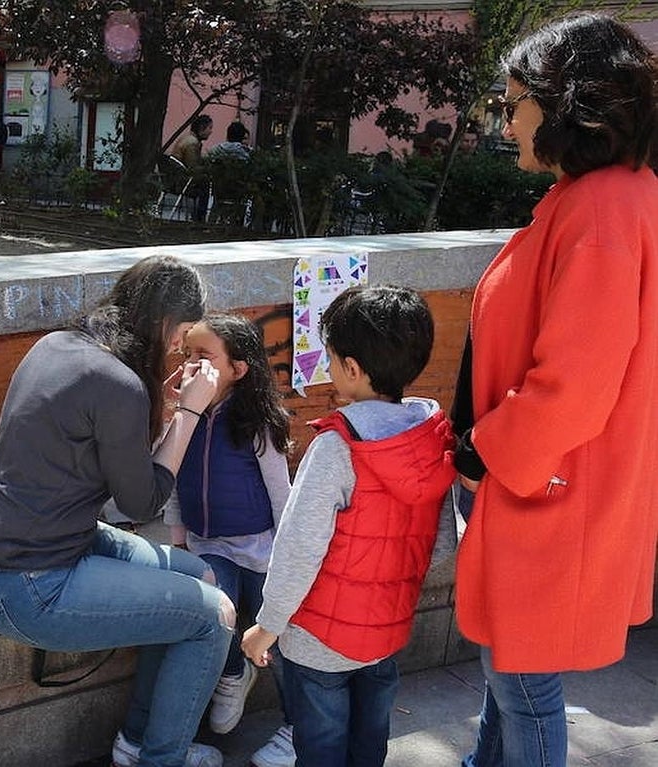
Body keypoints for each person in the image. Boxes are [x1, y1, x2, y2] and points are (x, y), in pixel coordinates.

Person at [450, 13, 658, 767]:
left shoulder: (600, 210)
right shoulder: (608, 195)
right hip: (547, 481)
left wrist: (484, 454)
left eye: (513, 105)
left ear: (565, 102)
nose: (505, 125)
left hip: (544, 488)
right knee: (510, 671)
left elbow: (574, 387)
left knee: (525, 684)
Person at [0, 254, 233, 767]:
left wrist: (163, 412)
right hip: (24, 584)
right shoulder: (120, 385)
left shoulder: (58, 344)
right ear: (162, 322)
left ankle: (138, 741)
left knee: (203, 576)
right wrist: (192, 411)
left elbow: (117, 470)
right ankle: (160, 759)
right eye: (181, 333)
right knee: (213, 617)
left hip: (10, 550)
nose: (179, 347)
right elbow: (142, 502)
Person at [241, 284, 457, 767]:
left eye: (333, 357)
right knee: (367, 744)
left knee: (320, 747)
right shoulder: (432, 438)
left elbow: (299, 548)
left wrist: (267, 626)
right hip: (386, 630)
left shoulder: (338, 447)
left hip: (319, 642)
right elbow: (440, 547)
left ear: (353, 368)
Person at [162, 313, 297, 767]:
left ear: (238, 370)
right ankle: (232, 674)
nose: (192, 366)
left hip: (261, 548)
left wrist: (286, 550)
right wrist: (180, 538)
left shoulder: (257, 422)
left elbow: (282, 493)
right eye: (187, 356)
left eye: (205, 356)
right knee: (216, 619)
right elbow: (172, 479)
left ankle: (298, 723)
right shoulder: (183, 416)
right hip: (207, 544)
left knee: (274, 637)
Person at [170, 115, 213, 221]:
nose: (211, 132)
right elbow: (193, 168)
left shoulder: (186, 138)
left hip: (175, 179)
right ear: (201, 128)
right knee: (206, 183)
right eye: (209, 128)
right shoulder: (192, 143)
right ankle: (199, 217)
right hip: (182, 183)